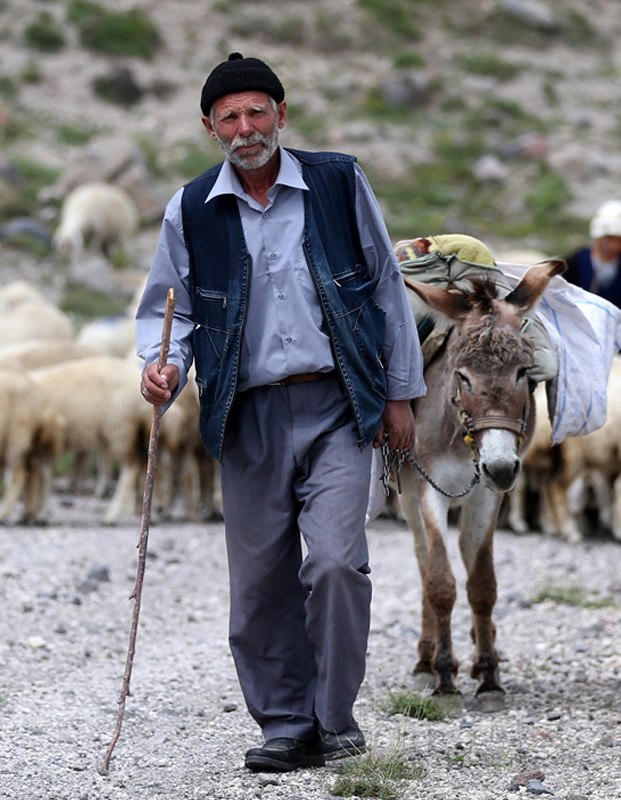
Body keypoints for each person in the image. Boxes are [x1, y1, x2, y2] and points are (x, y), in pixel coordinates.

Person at [135, 53, 425, 774]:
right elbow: (165, 314)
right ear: (210, 127)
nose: (245, 127)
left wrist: (399, 392)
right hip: (247, 412)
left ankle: (333, 718)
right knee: (260, 581)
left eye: (257, 111)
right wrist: (161, 369)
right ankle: (285, 724)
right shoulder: (191, 209)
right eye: (229, 116)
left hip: (336, 404)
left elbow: (386, 289)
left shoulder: (336, 181)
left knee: (333, 561)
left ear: (281, 115)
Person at [561, 199, 621, 353]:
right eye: (610, 239)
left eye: (620, 241)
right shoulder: (574, 263)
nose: (615, 246)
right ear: (598, 236)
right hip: (578, 344)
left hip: (619, 346)